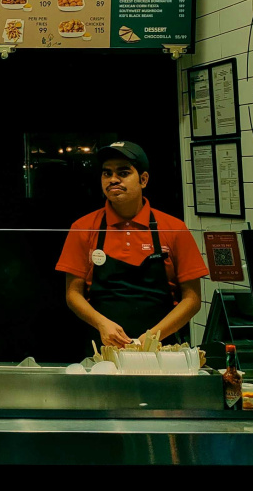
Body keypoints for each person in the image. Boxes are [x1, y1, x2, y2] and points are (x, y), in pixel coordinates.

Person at [57, 141, 208, 351]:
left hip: (161, 350)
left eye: (123, 172)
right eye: (106, 173)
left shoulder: (174, 228)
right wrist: (102, 324)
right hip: (103, 351)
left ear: (144, 179)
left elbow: (192, 299)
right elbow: (73, 294)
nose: (113, 180)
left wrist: (155, 335)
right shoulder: (83, 227)